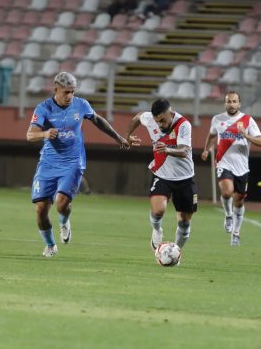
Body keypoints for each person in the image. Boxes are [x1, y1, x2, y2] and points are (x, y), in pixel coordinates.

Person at [26, 71, 140, 257]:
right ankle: (50, 245)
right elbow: (30, 135)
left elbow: (98, 120)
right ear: (56, 89)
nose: (70, 96)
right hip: (48, 162)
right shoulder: (43, 108)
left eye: (73, 91)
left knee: (61, 203)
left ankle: (64, 220)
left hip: (73, 162)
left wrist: (119, 138)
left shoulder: (81, 104)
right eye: (66, 92)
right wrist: (45, 134)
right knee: (40, 210)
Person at [125, 98, 197, 252]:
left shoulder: (184, 125)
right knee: (158, 210)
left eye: (163, 120)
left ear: (171, 113)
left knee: (184, 221)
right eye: (157, 121)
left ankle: (176, 252)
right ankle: (157, 230)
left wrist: (167, 150)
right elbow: (138, 117)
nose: (160, 125)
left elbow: (184, 151)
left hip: (185, 178)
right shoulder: (151, 119)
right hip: (162, 175)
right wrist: (128, 135)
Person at [200, 91, 261, 246]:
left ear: (239, 104)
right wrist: (206, 149)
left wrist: (246, 135)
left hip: (242, 167)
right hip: (223, 162)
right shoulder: (217, 119)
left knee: (239, 201)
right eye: (229, 101)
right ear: (225, 103)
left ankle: (236, 233)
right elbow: (212, 135)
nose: (231, 104)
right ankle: (228, 214)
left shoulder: (248, 120)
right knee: (227, 192)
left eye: (234, 101)